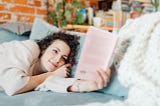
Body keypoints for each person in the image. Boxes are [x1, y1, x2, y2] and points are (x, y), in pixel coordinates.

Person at [0, 31, 111, 96]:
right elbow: (13, 86)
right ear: (44, 48)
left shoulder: (40, 77)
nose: (58, 60)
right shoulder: (30, 47)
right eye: (55, 51)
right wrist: (51, 74)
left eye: (64, 58)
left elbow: (49, 84)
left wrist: (89, 85)